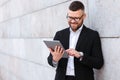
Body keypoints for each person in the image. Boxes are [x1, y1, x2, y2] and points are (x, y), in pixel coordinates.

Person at [47, 1, 104, 80]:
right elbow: (50, 61)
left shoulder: (92, 35)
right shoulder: (59, 34)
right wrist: (54, 59)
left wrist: (80, 55)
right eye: (70, 17)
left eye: (76, 18)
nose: (72, 21)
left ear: (84, 16)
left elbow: (99, 63)